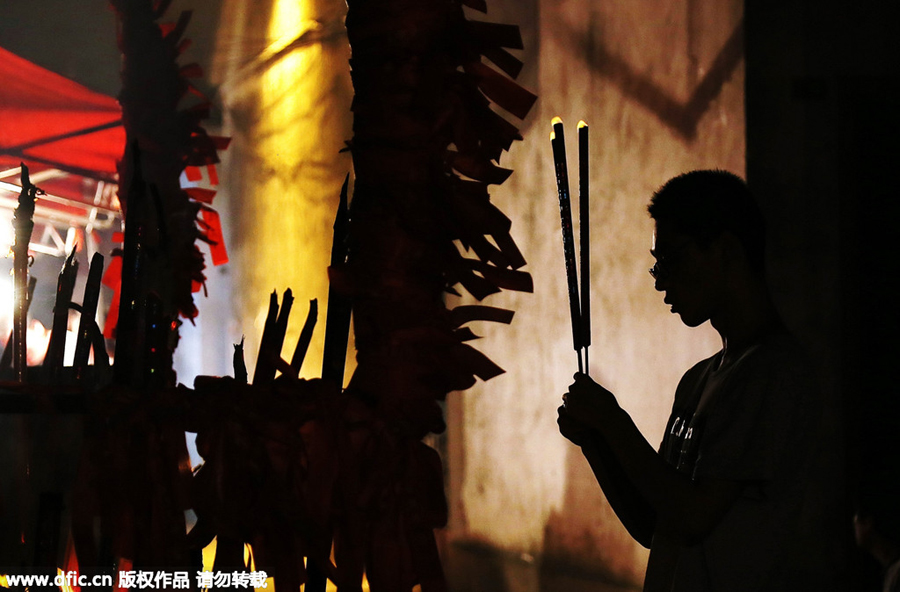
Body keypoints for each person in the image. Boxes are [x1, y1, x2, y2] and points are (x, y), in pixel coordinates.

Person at [558, 170, 836, 591]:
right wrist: (596, 441)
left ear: (725, 251)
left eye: (671, 260)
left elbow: (693, 517)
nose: (661, 281)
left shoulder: (774, 373)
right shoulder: (698, 379)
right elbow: (655, 523)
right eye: (656, 266)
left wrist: (614, 422)